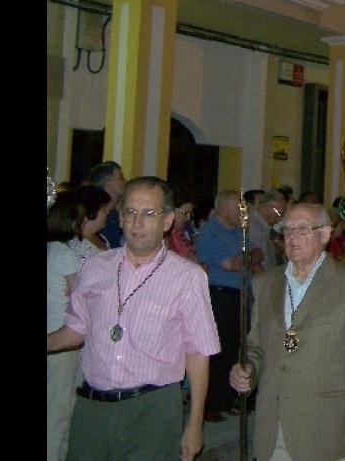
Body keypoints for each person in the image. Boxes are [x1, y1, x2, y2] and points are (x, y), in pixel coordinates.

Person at [46, 176, 219, 461]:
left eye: (149, 213)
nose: (138, 222)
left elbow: (198, 352)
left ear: (167, 221)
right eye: (130, 212)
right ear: (121, 219)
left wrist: (195, 423)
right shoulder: (93, 267)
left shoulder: (187, 277)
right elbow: (76, 328)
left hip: (152, 410)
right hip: (92, 409)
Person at [229, 202, 345, 461]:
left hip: (327, 429)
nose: (292, 237)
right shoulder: (265, 284)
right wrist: (247, 370)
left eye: (302, 229)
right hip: (273, 425)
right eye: (287, 230)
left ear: (324, 234)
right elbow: (255, 345)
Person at [196, 189, 255, 423]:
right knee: (218, 351)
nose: (242, 212)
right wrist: (246, 259)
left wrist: (247, 258)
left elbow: (256, 253)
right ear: (223, 209)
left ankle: (228, 398)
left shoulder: (237, 232)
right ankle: (211, 404)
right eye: (237, 208)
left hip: (238, 295)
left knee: (235, 349)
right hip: (219, 295)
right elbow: (230, 265)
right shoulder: (211, 232)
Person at [47, 191, 86, 460]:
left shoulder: (51, 250)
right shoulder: (65, 254)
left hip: (51, 334)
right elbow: (79, 296)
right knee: (59, 410)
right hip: (63, 337)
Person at [85, 161, 127, 249]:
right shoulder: (94, 217)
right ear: (108, 184)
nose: (125, 181)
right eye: (120, 178)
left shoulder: (115, 213)